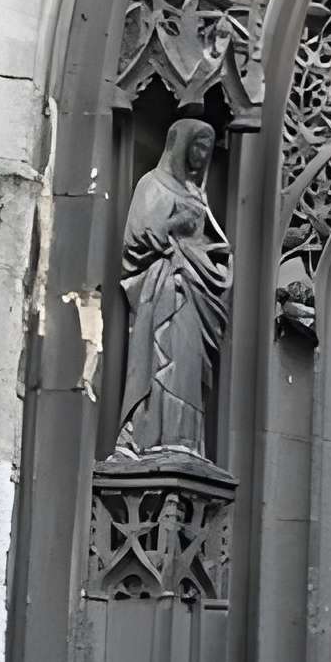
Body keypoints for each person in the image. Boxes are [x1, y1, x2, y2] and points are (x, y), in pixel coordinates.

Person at [113, 116, 232, 460]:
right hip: (165, 286)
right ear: (180, 145)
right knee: (165, 358)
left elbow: (208, 239)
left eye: (208, 149)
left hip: (196, 290)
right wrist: (175, 225)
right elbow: (136, 240)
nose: (202, 155)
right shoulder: (153, 184)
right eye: (197, 146)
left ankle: (185, 439)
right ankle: (150, 436)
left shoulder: (198, 194)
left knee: (188, 365)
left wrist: (216, 257)